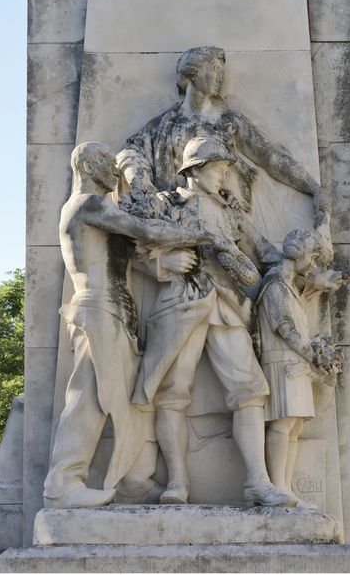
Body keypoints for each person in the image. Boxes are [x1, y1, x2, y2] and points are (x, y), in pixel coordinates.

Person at [44, 141, 231, 509]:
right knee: (88, 398)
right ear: (85, 165)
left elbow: (129, 256)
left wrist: (164, 265)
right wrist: (205, 235)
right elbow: (145, 232)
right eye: (106, 164)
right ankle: (62, 483)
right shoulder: (89, 205)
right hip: (98, 311)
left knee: (127, 402)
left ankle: (133, 482)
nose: (115, 172)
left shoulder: (101, 210)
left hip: (117, 314)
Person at [131, 136, 297, 508]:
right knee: (173, 391)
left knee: (250, 389)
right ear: (195, 170)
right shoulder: (168, 202)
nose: (224, 174)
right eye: (219, 168)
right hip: (181, 300)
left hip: (227, 302)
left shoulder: (229, 210)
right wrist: (160, 265)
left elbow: (257, 255)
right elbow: (136, 247)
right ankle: (176, 482)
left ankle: (257, 481)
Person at [117, 46, 327, 226]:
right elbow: (129, 154)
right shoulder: (161, 125)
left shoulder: (229, 121)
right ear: (193, 73)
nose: (220, 76)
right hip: (174, 216)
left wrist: (312, 188)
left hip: (223, 216)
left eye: (221, 71)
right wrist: (146, 190)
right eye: (214, 70)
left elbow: (271, 158)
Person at [257, 230, 345, 509]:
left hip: (294, 362)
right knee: (283, 424)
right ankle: (278, 486)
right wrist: (313, 356)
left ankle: (286, 488)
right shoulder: (275, 285)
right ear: (299, 255)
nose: (312, 264)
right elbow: (285, 329)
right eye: (311, 257)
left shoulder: (289, 286)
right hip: (282, 361)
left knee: (293, 426)